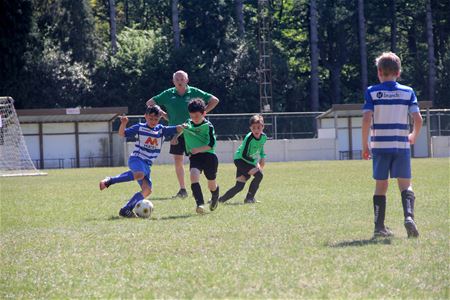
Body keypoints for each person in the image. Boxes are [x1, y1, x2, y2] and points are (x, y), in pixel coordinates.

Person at [362, 52, 423, 238]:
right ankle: (409, 217)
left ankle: (379, 227)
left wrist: (365, 144)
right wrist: (413, 135)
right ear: (399, 72)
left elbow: (366, 119)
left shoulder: (372, 91)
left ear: (379, 72)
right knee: (406, 184)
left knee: (381, 186)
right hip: (401, 146)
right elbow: (418, 118)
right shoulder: (408, 91)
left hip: (380, 146)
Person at [99, 106, 184, 218]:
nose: (153, 121)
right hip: (137, 159)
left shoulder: (161, 130)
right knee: (139, 174)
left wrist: (185, 126)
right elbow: (121, 133)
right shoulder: (140, 127)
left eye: (156, 119)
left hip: (147, 165)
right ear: (145, 116)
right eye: (151, 118)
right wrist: (124, 123)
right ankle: (110, 180)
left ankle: (126, 209)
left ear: (159, 119)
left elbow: (177, 128)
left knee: (147, 190)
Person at [146, 70, 219, 199]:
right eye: (177, 80)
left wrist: (203, 112)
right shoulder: (168, 94)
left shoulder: (194, 92)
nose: (180, 82)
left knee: (201, 159)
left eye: (182, 79)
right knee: (178, 161)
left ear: (187, 80)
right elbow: (150, 102)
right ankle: (183, 189)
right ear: (173, 81)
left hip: (194, 132)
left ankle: (208, 189)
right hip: (176, 131)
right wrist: (163, 114)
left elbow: (214, 100)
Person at [182, 98, 220, 214]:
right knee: (193, 177)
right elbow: (183, 130)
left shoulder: (208, 126)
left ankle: (215, 195)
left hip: (209, 157)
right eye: (192, 116)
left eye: (197, 116)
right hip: (195, 157)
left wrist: (198, 149)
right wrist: (174, 138)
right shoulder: (188, 123)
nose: (194, 119)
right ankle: (200, 204)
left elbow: (211, 144)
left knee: (211, 184)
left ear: (204, 113)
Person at [219, 115, 266, 204]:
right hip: (240, 160)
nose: (256, 130)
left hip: (249, 161)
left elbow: (261, 147)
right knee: (259, 175)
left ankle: (220, 200)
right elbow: (244, 155)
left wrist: (263, 157)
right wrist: (256, 163)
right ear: (250, 128)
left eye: (259, 127)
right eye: (254, 128)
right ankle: (249, 199)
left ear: (263, 127)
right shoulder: (249, 138)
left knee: (239, 186)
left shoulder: (264, 137)